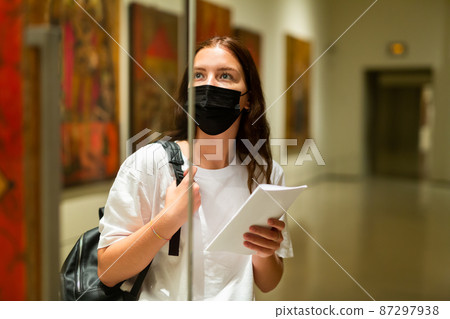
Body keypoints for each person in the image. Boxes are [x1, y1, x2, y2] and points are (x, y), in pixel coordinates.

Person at [97, 36, 293, 300]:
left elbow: (268, 282)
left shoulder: (265, 174)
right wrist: (167, 222)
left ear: (248, 99)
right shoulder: (148, 164)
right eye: (199, 75)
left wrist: (264, 252)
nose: (209, 85)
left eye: (225, 76)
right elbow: (108, 271)